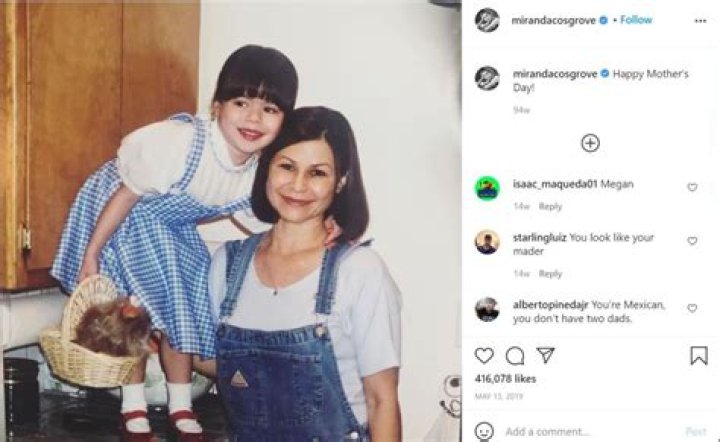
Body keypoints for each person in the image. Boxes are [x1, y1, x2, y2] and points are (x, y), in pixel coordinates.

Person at [51, 45, 298, 441]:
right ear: (217, 107)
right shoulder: (182, 143)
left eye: (269, 109)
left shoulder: (257, 174)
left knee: (183, 307)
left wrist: (319, 234)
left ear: (283, 121)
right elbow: (126, 196)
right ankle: (132, 406)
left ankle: (180, 405)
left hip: (168, 227)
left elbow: (267, 229)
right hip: (122, 215)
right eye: (241, 103)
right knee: (132, 314)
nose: (254, 118)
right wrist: (92, 253)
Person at [209, 107, 402, 441]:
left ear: (340, 181)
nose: (297, 185)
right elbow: (214, 363)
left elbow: (381, 400)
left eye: (317, 173)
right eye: (286, 166)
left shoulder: (359, 271)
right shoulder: (226, 264)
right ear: (266, 168)